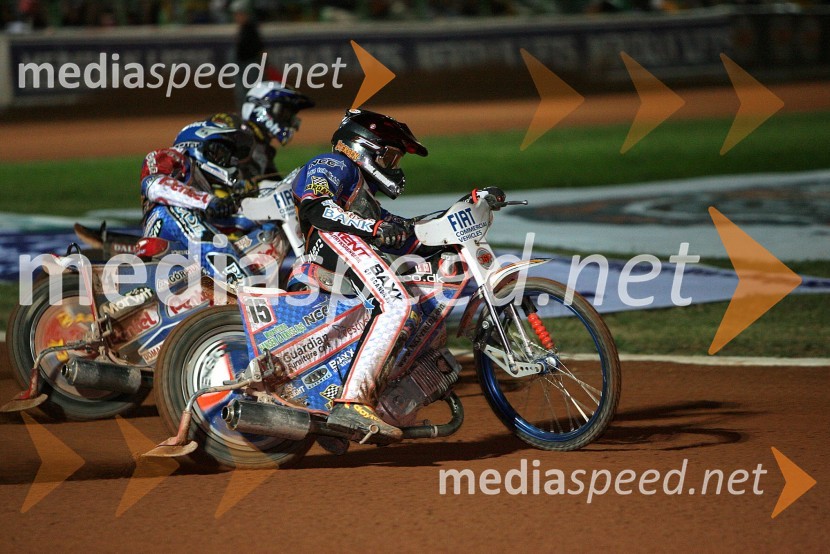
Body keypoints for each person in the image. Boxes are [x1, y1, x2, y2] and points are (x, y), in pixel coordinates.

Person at [291, 109, 428, 442]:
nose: (394, 168)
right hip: (325, 257)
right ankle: (351, 403)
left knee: (412, 308)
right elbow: (317, 207)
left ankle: (344, 405)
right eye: (391, 157)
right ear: (365, 147)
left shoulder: (365, 200)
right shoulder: (335, 164)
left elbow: (411, 235)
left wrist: (459, 216)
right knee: (397, 303)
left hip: (339, 272)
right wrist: (375, 227)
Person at [140, 118, 255, 283]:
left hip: (183, 255)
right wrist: (209, 201)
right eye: (221, 152)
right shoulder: (171, 157)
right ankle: (246, 292)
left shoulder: (201, 192)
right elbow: (153, 185)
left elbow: (232, 220)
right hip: (163, 227)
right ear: (196, 146)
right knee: (213, 240)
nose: (228, 161)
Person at [240, 81, 315, 178]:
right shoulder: (238, 138)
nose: (288, 120)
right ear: (261, 107)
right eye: (283, 113)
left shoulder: (264, 150)